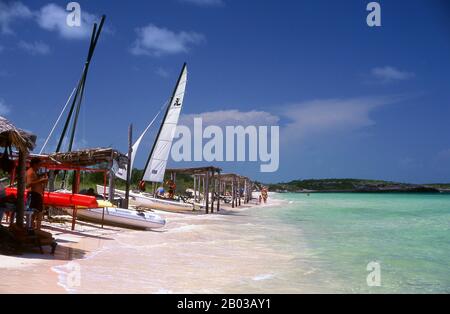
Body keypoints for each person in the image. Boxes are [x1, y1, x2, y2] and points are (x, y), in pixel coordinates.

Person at [26, 158, 48, 230]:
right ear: (35, 164)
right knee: (33, 214)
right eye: (39, 165)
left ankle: (36, 229)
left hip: (36, 195)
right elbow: (28, 184)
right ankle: (31, 229)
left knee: (37, 213)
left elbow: (34, 182)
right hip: (33, 195)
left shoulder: (34, 172)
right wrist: (41, 181)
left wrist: (41, 181)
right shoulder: (30, 172)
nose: (40, 166)